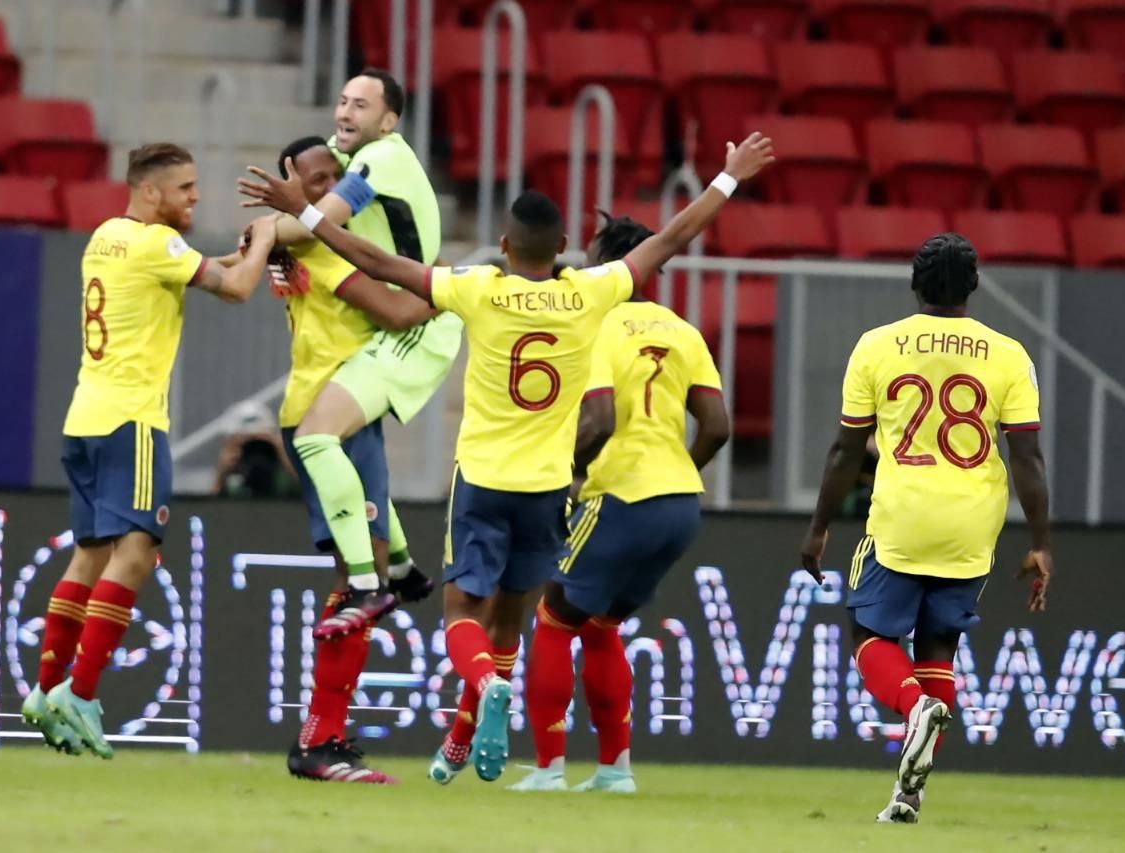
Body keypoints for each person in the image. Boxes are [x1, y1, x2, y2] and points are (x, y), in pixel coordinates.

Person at [238, 131, 776, 783]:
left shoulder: (477, 289)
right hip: (549, 486)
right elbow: (669, 239)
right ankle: (492, 715)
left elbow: (378, 263)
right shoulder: (592, 293)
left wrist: (308, 212)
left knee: (462, 613)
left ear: (503, 246)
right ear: (561, 250)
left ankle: (484, 689)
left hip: (485, 479)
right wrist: (727, 178)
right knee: (514, 619)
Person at [21, 143, 276, 759]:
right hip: (132, 423)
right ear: (152, 192)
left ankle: (46, 689)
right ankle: (81, 693)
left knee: (88, 555)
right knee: (135, 554)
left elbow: (184, 267)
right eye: (185, 188)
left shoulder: (107, 237)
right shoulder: (157, 246)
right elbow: (237, 291)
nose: (194, 198)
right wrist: (265, 240)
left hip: (84, 418)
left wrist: (233, 255)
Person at [798, 233, 1054, 823]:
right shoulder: (1009, 355)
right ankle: (908, 795)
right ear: (974, 286)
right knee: (939, 645)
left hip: (901, 517)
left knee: (866, 637)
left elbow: (844, 451)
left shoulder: (877, 346)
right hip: (972, 526)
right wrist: (1040, 544)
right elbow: (1028, 461)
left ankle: (913, 709)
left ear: (914, 284)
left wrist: (818, 527)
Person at [511, 213, 730, 794]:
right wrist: (677, 469)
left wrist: (569, 474)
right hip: (680, 505)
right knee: (603, 625)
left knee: (553, 620)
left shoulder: (598, 326)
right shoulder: (683, 332)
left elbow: (601, 417)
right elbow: (717, 425)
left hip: (623, 495)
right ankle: (615, 771)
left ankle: (548, 770)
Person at [271, 135, 439, 783]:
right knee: (354, 578)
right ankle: (320, 742)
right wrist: (453, 290)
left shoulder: (302, 244)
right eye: (311, 181)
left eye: (332, 178)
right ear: (290, 186)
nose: (327, 191)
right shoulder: (322, 246)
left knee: (358, 565)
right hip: (333, 417)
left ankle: (323, 736)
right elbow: (398, 312)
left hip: (321, 407)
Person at [269, 69, 461, 636]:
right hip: (378, 337)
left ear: (389, 120)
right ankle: (397, 570)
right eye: (343, 101)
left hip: (409, 327)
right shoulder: (341, 154)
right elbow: (310, 181)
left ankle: (370, 585)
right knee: (322, 447)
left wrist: (273, 228)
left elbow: (318, 217)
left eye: (361, 105)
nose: (345, 113)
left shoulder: (386, 161)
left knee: (315, 439)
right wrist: (266, 232)